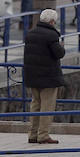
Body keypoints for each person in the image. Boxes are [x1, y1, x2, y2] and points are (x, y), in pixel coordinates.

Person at [23, 8, 65, 144]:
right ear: (52, 21)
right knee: (47, 106)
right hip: (48, 77)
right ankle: (43, 135)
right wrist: (61, 46)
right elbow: (59, 53)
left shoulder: (30, 34)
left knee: (35, 105)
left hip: (32, 75)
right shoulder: (52, 36)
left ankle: (33, 134)